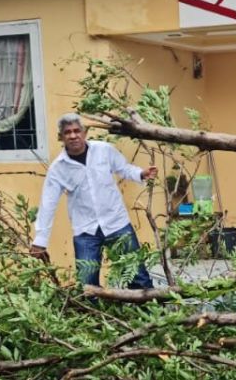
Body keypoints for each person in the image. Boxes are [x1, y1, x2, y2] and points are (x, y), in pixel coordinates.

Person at [30, 113, 157, 288]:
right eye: (68, 132)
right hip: (85, 231)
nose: (73, 135)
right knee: (87, 285)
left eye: (77, 131)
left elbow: (124, 168)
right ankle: (95, 315)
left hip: (117, 223)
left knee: (138, 276)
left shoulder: (104, 150)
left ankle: (150, 313)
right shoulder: (58, 169)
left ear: (84, 132)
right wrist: (40, 240)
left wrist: (140, 174)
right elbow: (47, 204)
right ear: (61, 137)